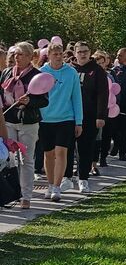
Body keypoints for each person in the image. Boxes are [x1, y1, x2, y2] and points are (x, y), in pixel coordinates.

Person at [1, 42, 47, 209]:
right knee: (8, 159)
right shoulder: (6, 73)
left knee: (26, 160)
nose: (16, 57)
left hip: (28, 122)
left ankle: (26, 196)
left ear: (29, 57)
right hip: (8, 122)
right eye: (15, 54)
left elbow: (44, 100)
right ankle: (11, 194)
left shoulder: (36, 75)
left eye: (20, 54)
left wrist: (30, 101)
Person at [39, 43, 83, 202]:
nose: (58, 57)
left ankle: (57, 187)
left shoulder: (71, 73)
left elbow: (76, 98)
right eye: (55, 54)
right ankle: (50, 184)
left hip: (66, 118)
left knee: (61, 152)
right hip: (45, 119)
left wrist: (79, 121)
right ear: (49, 55)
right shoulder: (42, 72)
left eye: (60, 53)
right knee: (48, 153)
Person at [63, 42, 108, 194]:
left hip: (89, 116)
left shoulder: (97, 71)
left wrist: (100, 115)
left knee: (85, 148)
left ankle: (83, 179)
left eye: (86, 51)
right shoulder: (68, 69)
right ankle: (67, 178)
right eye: (80, 51)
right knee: (67, 148)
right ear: (74, 53)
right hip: (68, 115)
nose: (83, 54)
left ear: (90, 53)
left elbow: (103, 94)